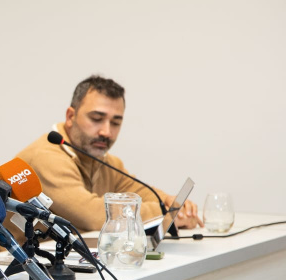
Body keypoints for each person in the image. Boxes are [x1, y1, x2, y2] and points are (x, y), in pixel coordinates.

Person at [17, 75, 202, 232]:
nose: (106, 132)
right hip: (16, 262)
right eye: (97, 119)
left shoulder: (106, 162)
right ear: (71, 117)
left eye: (115, 123)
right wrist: (167, 213)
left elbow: (141, 193)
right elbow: (93, 216)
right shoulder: (45, 157)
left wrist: (173, 203)